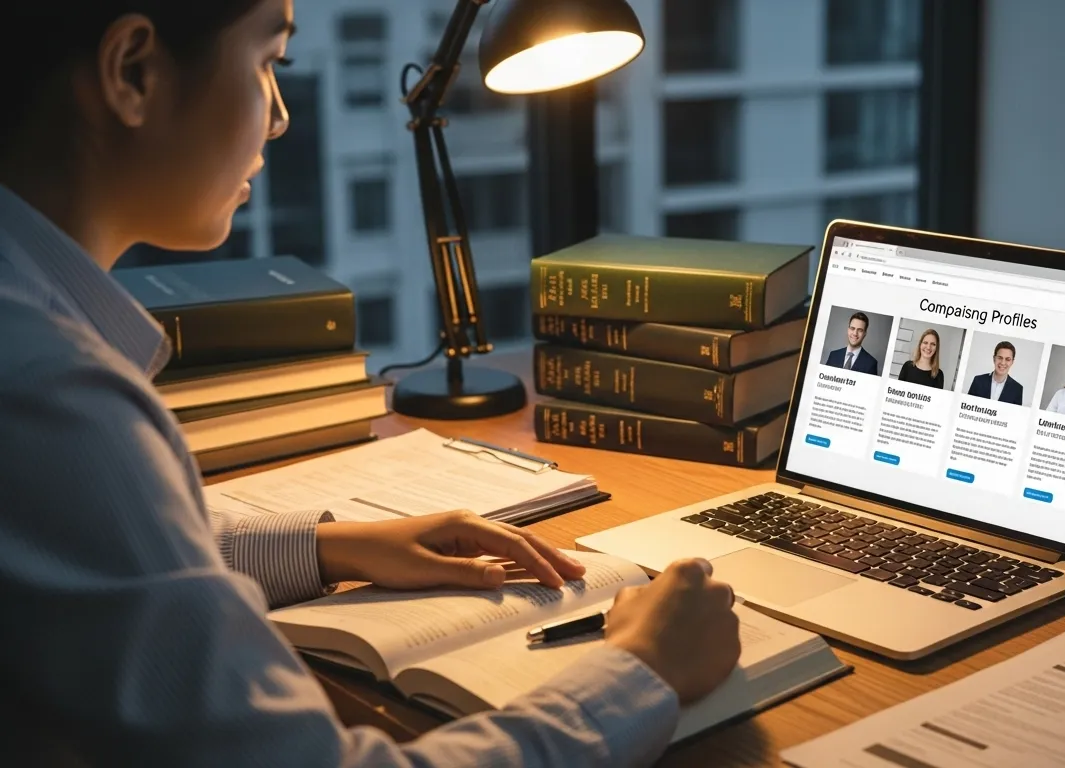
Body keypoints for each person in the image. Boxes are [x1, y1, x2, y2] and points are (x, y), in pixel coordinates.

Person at [0, 2, 742, 765]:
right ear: (133, 73)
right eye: (268, 62)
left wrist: (334, 547)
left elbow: (110, 553)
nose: (281, 118)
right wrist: (643, 671)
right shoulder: (54, 400)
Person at [967, 341, 1024, 405]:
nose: (1002, 363)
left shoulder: (1017, 389)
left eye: (1007, 359)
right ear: (994, 359)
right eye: (1000, 358)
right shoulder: (978, 381)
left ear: (1012, 362)